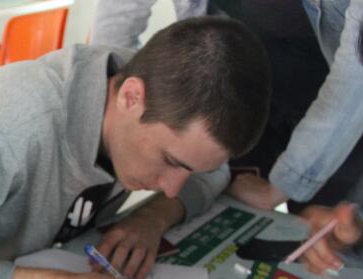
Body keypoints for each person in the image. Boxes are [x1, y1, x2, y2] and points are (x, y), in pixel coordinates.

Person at [0, 17, 270, 279]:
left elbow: (215, 172)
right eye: (170, 161)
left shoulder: (148, 85)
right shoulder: (6, 125)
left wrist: (153, 217)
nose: (172, 190)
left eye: (190, 169)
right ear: (131, 97)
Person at [90, 0, 363, 212]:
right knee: (228, 222)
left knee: (331, 236)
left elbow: (356, 77)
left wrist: (286, 183)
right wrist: (115, 116)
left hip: (342, 124)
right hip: (236, 99)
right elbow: (120, 12)